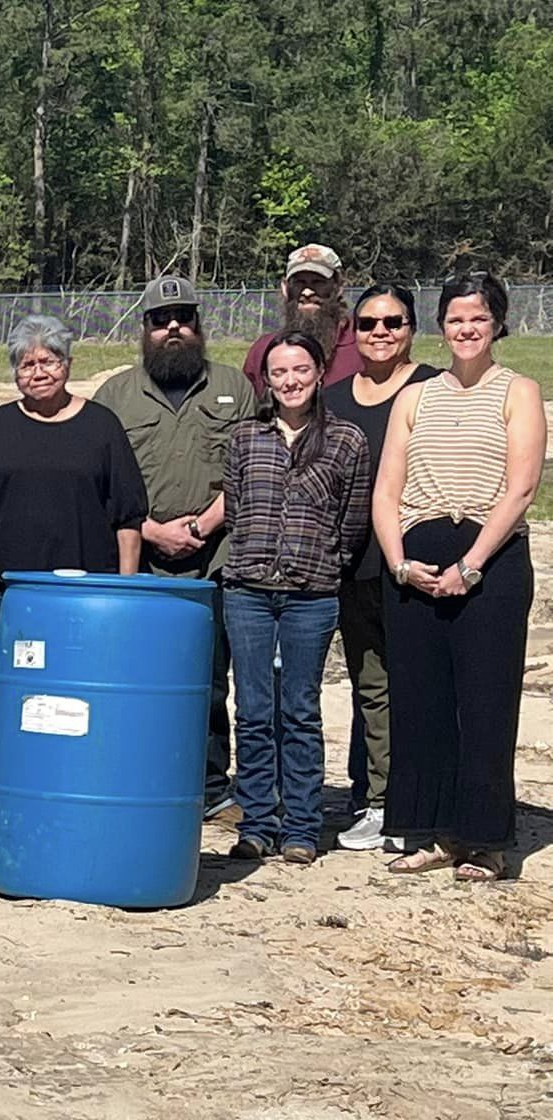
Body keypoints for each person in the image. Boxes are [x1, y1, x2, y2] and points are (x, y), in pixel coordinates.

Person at [373, 272, 546, 882]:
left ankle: (484, 838)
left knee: (484, 701)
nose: (466, 329)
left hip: (490, 561)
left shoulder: (517, 391)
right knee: (420, 703)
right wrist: (398, 562)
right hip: (416, 559)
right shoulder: (415, 396)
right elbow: (386, 490)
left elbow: (522, 486)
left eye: (477, 317)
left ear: (497, 322)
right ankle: (428, 831)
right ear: (440, 326)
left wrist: (471, 565)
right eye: (454, 318)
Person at [93, 276, 254, 820]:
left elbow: (254, 469)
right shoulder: (115, 394)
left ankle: (211, 787)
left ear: (199, 326)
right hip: (138, 559)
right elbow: (99, 482)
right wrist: (152, 530)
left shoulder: (234, 386)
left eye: (183, 317)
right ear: (145, 329)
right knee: (138, 676)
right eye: (161, 320)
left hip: (217, 557)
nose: (173, 329)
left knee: (210, 679)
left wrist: (206, 525)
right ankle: (139, 775)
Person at [220, 333, 371, 865]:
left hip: (311, 594)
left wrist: (321, 561)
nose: (290, 381)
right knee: (254, 709)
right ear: (266, 379)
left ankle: (303, 827)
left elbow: (352, 523)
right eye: (279, 372)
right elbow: (236, 513)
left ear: (319, 373)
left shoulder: (347, 441)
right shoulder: (244, 438)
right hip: (248, 591)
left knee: (300, 710)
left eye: (300, 370)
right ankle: (258, 821)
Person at [0, 314, 146, 654]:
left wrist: (124, 587)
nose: (39, 372)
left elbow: (128, 517)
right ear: (15, 373)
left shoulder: (102, 426)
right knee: (16, 685)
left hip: (85, 589)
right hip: (8, 588)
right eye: (27, 364)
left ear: (68, 364)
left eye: (49, 361)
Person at [321, 285, 440, 851]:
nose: (381, 332)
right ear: (354, 331)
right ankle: (375, 799)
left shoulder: (433, 389)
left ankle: (425, 799)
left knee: (424, 683)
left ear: (412, 327)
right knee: (372, 686)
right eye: (369, 323)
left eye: (393, 322)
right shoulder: (335, 397)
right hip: (354, 564)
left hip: (421, 559)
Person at [243, 244, 362, 394]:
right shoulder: (263, 351)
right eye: (299, 282)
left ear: (338, 287)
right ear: (285, 288)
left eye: (318, 282)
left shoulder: (362, 346)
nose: (307, 292)